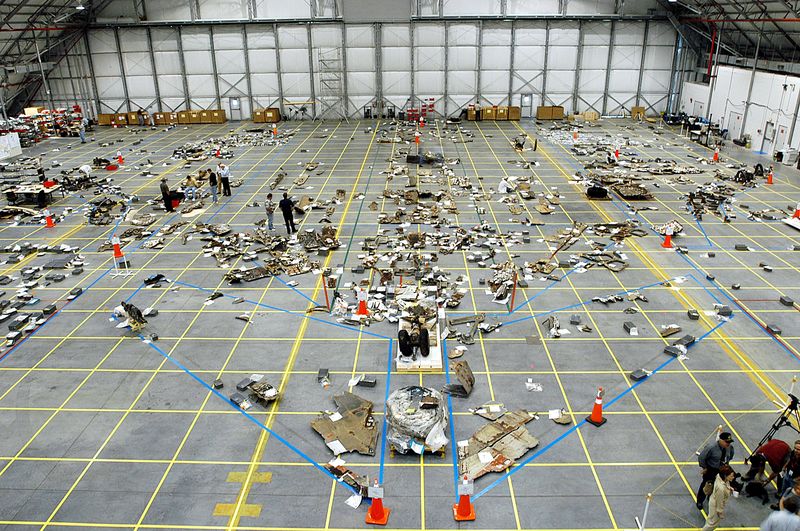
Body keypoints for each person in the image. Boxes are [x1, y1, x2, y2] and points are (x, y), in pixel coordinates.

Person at [697, 432, 735, 510]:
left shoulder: (729, 448)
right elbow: (701, 457)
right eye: (726, 442)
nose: (728, 444)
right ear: (720, 440)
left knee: (717, 485)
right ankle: (700, 501)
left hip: (722, 470)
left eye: (729, 442)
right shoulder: (711, 447)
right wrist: (705, 468)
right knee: (706, 485)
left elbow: (730, 456)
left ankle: (710, 498)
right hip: (711, 469)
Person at [702, 465, 736, 531]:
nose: (733, 477)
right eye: (731, 476)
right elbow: (719, 501)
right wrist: (720, 512)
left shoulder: (719, 476)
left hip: (713, 499)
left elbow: (726, 483)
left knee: (710, 520)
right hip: (715, 505)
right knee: (712, 524)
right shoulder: (721, 489)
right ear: (726, 476)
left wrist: (729, 488)